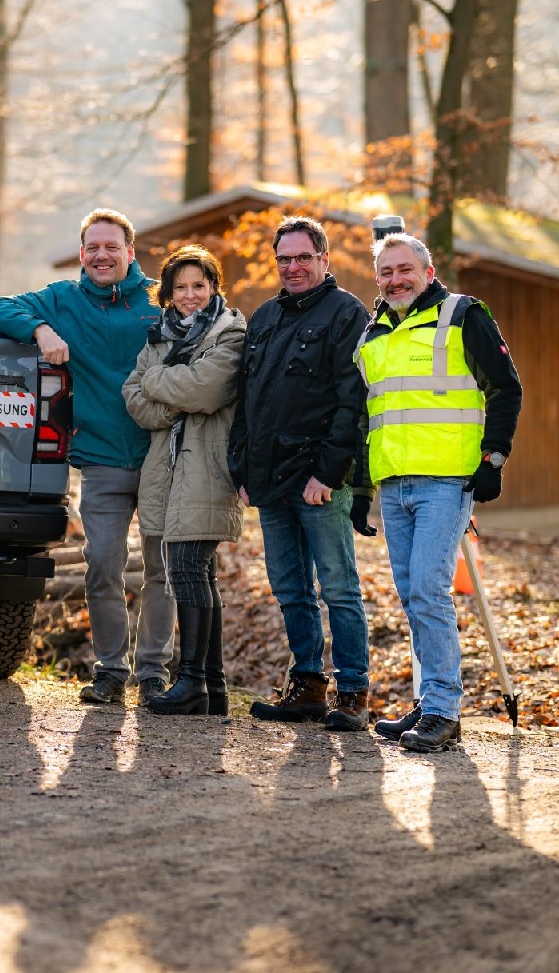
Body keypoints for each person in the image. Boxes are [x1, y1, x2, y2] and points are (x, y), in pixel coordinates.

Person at [0, 208, 169, 706]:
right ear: (82, 253)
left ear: (131, 252)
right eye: (92, 248)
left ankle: (153, 673)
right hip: (102, 458)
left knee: (161, 568)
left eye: (112, 247)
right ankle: (111, 670)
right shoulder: (62, 299)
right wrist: (41, 330)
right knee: (103, 564)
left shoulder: (159, 301)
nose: (101, 255)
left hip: (160, 456)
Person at [361, 232, 522, 752]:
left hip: (447, 481)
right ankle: (431, 701)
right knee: (412, 596)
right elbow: (371, 415)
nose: (395, 279)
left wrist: (493, 457)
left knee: (429, 588)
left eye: (405, 269)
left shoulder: (462, 314)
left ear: (427, 272)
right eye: (386, 273)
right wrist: (363, 487)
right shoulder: (374, 334)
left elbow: (506, 386)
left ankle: (445, 711)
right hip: (394, 483)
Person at [227, 215, 375, 731]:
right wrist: (241, 469)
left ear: (324, 260)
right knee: (290, 589)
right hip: (268, 481)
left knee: (338, 587)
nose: (292, 267)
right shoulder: (264, 317)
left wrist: (329, 474)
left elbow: (351, 402)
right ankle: (308, 686)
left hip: (318, 483)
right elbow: (246, 401)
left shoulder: (346, 314)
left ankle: (353, 691)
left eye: (303, 258)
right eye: (284, 259)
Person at [122, 246, 247, 715]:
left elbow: (206, 389)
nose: (191, 295)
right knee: (197, 572)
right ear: (168, 295)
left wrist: (164, 383)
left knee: (188, 569)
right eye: (181, 288)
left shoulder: (230, 332)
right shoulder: (159, 336)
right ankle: (212, 687)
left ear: (214, 287)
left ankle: (191, 680)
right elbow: (133, 398)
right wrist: (177, 389)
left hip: (207, 466)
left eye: (200, 285)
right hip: (169, 470)